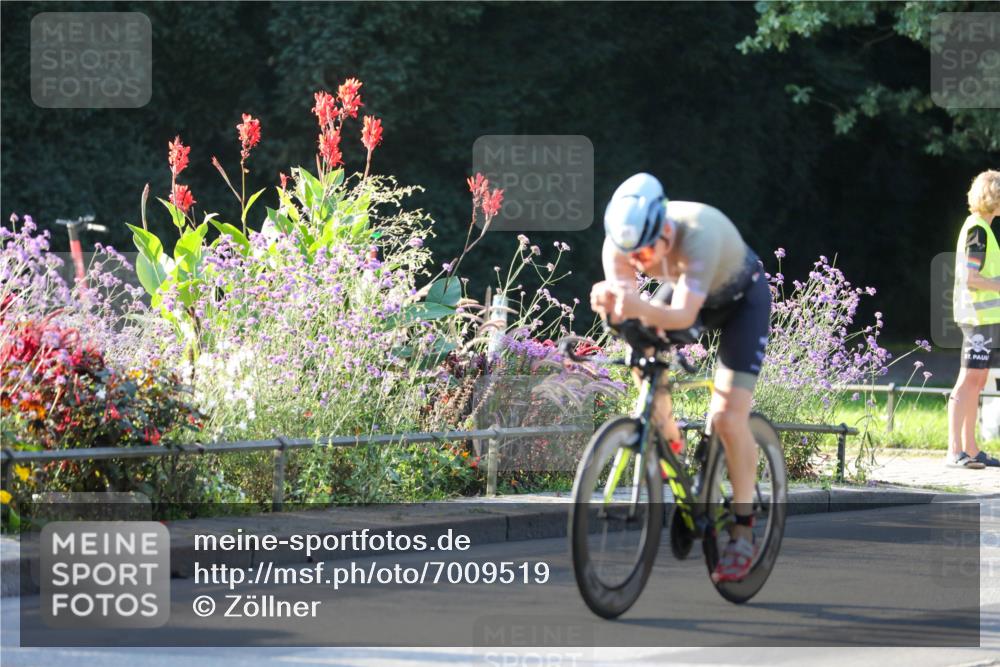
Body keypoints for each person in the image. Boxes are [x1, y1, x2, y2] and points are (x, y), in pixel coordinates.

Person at [590, 173, 771, 583]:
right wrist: (611, 308)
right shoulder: (620, 243)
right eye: (629, 255)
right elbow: (628, 313)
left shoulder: (699, 233)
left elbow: (684, 317)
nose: (638, 262)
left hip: (740, 301)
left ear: (666, 232)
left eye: (646, 252)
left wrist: (630, 303)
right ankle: (671, 435)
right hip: (685, 290)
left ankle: (743, 529)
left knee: (727, 418)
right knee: (639, 354)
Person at [948, 169, 1000, 469]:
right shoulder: (977, 230)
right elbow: (971, 278)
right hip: (977, 318)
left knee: (977, 380)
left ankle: (971, 448)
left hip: (986, 319)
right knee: (968, 380)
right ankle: (955, 450)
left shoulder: (983, 228)